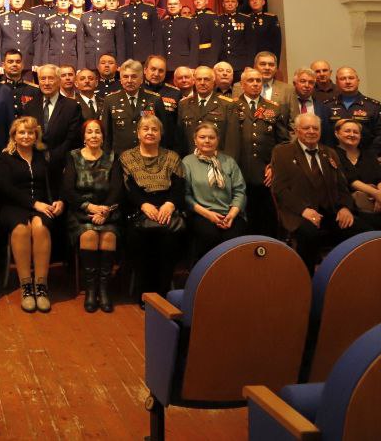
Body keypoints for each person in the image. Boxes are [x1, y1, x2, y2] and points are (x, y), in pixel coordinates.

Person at [270, 114, 365, 269]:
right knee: (309, 235)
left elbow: (342, 186)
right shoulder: (283, 152)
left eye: (315, 128)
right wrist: (303, 210)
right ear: (297, 130)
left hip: (331, 211)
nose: (311, 131)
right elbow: (279, 189)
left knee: (361, 229)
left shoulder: (329, 153)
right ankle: (306, 278)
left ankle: (347, 274)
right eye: (306, 128)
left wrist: (345, 208)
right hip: (299, 213)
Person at [0, 116, 62, 313]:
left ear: (36, 136)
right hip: (13, 205)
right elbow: (5, 188)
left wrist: (59, 201)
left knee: (40, 228)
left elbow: (55, 183)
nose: (26, 136)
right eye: (21, 132)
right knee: (21, 229)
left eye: (30, 132)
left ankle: (41, 286)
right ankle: (26, 286)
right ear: (14, 136)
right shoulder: (5, 158)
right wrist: (34, 204)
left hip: (42, 205)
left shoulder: (44, 156)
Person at [119, 115, 185, 303]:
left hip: (167, 210)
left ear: (161, 134)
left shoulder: (172, 157)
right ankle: (145, 293)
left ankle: (163, 293)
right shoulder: (127, 157)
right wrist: (143, 204)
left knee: (170, 239)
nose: (150, 132)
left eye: (154, 129)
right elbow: (128, 188)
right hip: (138, 210)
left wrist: (169, 204)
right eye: (145, 129)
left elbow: (179, 187)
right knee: (140, 240)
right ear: (138, 133)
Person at [63, 118, 121, 313]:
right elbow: (68, 190)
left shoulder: (113, 157)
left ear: (103, 137)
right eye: (90, 132)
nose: (94, 135)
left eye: (98, 132)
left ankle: (103, 290)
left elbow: (117, 189)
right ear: (84, 137)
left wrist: (104, 210)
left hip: (107, 211)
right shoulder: (73, 156)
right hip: (81, 212)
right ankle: (90, 290)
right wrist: (90, 207)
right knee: (89, 235)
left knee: (108, 236)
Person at [225, 67, 289, 236]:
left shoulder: (273, 107)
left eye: (258, 81)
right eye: (250, 80)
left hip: (264, 172)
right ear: (242, 84)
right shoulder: (230, 106)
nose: (255, 84)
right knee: (243, 219)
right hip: (238, 170)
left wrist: (274, 166)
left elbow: (283, 142)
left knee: (266, 219)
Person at [182, 121, 248, 263]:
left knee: (233, 243)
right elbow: (185, 195)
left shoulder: (229, 162)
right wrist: (209, 215)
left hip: (230, 214)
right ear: (195, 140)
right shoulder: (187, 162)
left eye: (211, 137)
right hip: (202, 214)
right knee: (209, 236)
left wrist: (231, 215)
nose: (207, 140)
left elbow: (240, 191)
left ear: (217, 140)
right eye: (202, 137)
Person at [332, 118, 381, 233]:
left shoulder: (368, 154)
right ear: (337, 134)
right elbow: (349, 180)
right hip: (351, 207)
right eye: (347, 131)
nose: (352, 134)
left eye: (356, 132)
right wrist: (376, 193)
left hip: (378, 205)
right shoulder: (332, 154)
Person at [21, 64, 83, 179]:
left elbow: (72, 138)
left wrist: (52, 157)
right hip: (34, 165)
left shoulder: (72, 106)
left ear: (59, 81)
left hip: (63, 166)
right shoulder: (29, 106)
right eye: (43, 79)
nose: (46, 83)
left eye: (51, 78)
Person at [101, 59, 163, 156]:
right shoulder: (110, 100)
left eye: (134, 77)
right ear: (121, 80)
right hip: (120, 156)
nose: (129, 81)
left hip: (149, 155)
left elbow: (163, 131)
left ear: (141, 79)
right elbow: (106, 134)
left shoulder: (154, 99)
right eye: (125, 77)